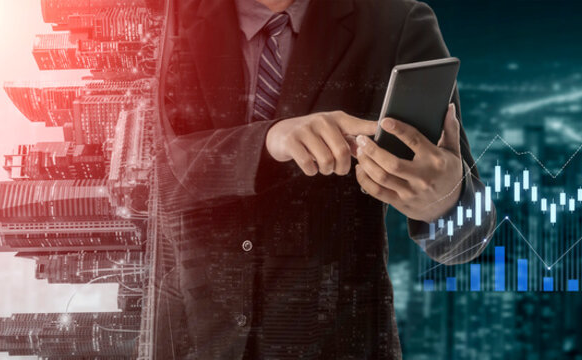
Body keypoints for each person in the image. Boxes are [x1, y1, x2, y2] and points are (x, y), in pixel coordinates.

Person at [152, 0, 494, 358]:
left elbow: (470, 233)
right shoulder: (157, 22)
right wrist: (267, 141)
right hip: (189, 341)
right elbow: (132, 176)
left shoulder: (396, 22)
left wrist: (444, 205)